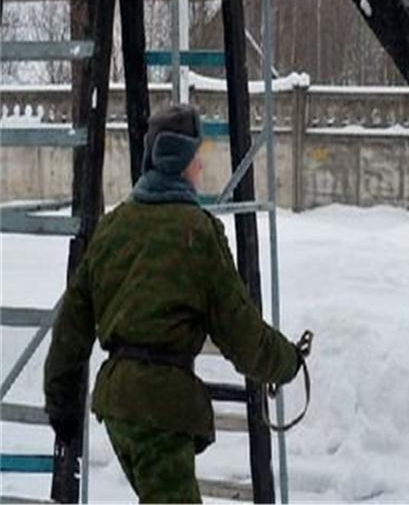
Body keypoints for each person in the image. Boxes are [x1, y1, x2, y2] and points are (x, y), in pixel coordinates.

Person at [44, 104, 306, 503]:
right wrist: (287, 362)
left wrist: (61, 401)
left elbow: (72, 322)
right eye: (197, 159)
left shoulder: (114, 226)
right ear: (182, 163)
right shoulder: (198, 234)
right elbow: (240, 331)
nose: (201, 169)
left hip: (118, 404)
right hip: (160, 408)